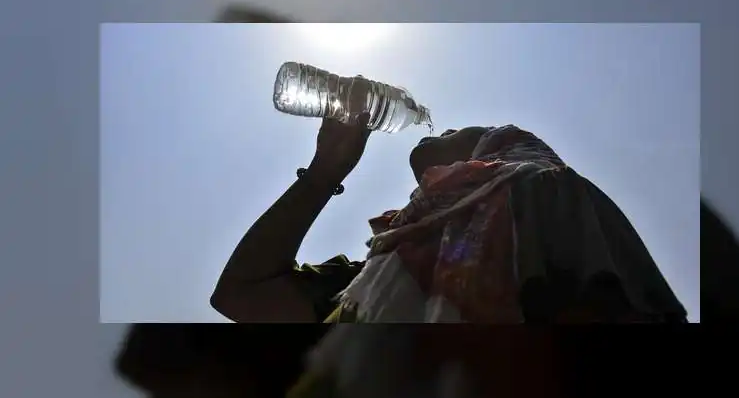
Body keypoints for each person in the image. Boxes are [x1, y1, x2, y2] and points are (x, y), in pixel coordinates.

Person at [210, 113, 687, 324]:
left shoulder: (548, 197)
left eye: (466, 130)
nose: (450, 128)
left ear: (491, 157)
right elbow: (239, 295)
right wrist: (322, 175)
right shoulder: (363, 284)